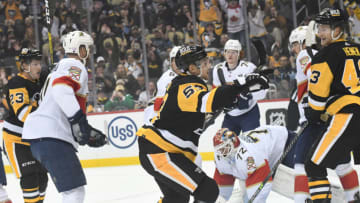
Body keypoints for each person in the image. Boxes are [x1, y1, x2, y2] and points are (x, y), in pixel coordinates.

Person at [136, 45, 269, 203]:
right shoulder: (186, 85)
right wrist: (243, 82)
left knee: (177, 199)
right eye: (205, 63)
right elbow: (208, 100)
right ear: (192, 68)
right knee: (207, 190)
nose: (209, 66)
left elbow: (209, 102)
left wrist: (234, 93)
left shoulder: (190, 84)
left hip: (169, 152)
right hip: (160, 152)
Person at [22, 31, 107, 203]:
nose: (90, 52)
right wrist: (78, 122)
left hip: (42, 137)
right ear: (80, 49)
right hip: (51, 136)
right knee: (74, 193)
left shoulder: (61, 67)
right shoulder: (74, 65)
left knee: (72, 191)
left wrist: (84, 129)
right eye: (87, 48)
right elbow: (62, 90)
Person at [305, 8, 360, 203]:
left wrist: (313, 112)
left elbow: (317, 100)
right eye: (319, 28)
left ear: (338, 30)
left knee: (313, 165)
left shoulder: (325, 54)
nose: (320, 33)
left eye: (325, 28)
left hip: (347, 115)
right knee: (341, 163)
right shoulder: (358, 49)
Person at [211, 39, 267, 201]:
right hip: (230, 117)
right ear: (224, 53)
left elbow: (262, 89)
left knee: (251, 149)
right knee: (222, 148)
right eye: (228, 51)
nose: (230, 55)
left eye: (234, 52)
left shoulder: (248, 68)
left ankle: (249, 189)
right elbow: (217, 93)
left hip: (249, 114)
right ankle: (223, 190)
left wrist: (248, 96)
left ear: (239, 54)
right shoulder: (218, 70)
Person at [2, 48, 47, 203]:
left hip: (34, 139)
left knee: (42, 178)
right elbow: (23, 114)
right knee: (29, 177)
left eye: (39, 63)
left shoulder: (41, 82)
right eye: (34, 64)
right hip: (16, 139)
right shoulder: (16, 83)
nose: (39, 67)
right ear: (24, 66)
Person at [213, 126, 296, 203]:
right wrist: (221, 198)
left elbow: (260, 182)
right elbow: (223, 181)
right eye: (220, 150)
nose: (222, 153)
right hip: (265, 152)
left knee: (300, 180)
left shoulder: (249, 157)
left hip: (286, 141)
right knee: (243, 194)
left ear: (233, 142)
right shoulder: (220, 157)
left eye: (225, 148)